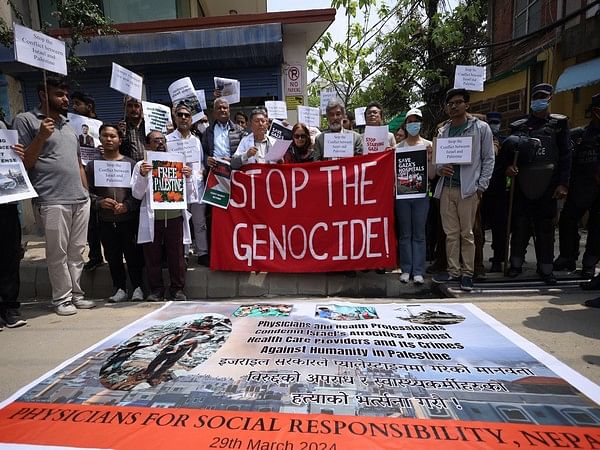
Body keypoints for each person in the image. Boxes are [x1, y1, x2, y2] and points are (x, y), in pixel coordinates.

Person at [14, 76, 96, 316]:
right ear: (43, 94)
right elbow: (24, 163)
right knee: (57, 253)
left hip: (79, 199)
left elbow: (78, 163)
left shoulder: (68, 126)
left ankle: (77, 295)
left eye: (66, 95)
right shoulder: (25, 120)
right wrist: (40, 136)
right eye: (60, 95)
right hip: (51, 199)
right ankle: (61, 299)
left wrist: (86, 192)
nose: (65, 99)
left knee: (76, 251)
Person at [502, 83, 572, 285]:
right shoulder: (520, 125)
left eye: (542, 96)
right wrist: (508, 168)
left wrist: (563, 184)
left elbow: (566, 156)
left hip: (549, 184)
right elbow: (506, 155)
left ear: (550, 98)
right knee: (520, 225)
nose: (538, 101)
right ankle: (515, 264)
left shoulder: (559, 125)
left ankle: (545, 268)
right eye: (535, 97)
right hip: (523, 183)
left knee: (545, 229)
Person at [432, 88, 495, 292]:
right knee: (450, 234)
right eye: (450, 103)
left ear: (466, 105)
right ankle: (454, 271)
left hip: (468, 190)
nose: (453, 106)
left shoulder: (481, 128)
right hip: (447, 188)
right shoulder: (443, 130)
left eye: (458, 102)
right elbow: (437, 163)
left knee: (466, 233)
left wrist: (481, 186)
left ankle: (468, 273)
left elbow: (488, 158)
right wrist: (441, 168)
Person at [131, 131, 194, 301]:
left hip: (174, 217)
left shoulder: (176, 162)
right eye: (155, 140)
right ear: (147, 145)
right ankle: (156, 290)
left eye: (162, 140)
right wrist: (143, 176)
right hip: (153, 219)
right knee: (152, 257)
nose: (160, 143)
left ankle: (177, 290)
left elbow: (189, 194)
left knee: (177, 256)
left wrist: (188, 178)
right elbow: (137, 194)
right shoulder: (141, 166)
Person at [85, 124, 144, 303]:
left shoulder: (131, 164)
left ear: (119, 140)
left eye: (113, 136)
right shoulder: (93, 166)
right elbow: (87, 192)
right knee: (112, 255)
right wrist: (99, 202)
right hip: (105, 220)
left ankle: (138, 287)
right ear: (100, 139)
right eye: (105, 136)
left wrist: (127, 205)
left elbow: (138, 192)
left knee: (133, 254)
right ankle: (119, 288)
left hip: (128, 219)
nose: (109, 139)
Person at [555, 93, 600, 279]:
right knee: (567, 220)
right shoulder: (579, 135)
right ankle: (568, 256)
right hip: (579, 186)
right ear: (596, 111)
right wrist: (564, 184)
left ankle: (589, 262)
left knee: (597, 227)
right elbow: (566, 160)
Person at [396, 108, 435, 285]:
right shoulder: (398, 148)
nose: (413, 124)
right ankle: (406, 269)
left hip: (421, 196)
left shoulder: (428, 145)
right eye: (410, 121)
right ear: (406, 124)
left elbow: (433, 175)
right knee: (405, 234)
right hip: (402, 197)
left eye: (416, 121)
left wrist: (429, 158)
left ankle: (418, 271)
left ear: (421, 123)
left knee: (419, 234)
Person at [168, 103, 209, 266]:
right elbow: (164, 165)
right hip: (178, 189)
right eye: (180, 115)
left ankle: (203, 253)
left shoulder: (196, 140)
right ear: (175, 118)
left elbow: (201, 163)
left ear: (192, 119)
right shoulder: (168, 140)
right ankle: (183, 254)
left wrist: (202, 172)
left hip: (196, 188)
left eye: (187, 115)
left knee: (200, 223)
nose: (184, 118)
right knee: (181, 223)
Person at [0, 127, 27, 329]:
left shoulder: (3, 128)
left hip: (6, 205)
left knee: (10, 255)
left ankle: (10, 307)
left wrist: (18, 155)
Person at [482, 111, 508, 273]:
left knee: (500, 229)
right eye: (491, 122)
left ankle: (498, 259)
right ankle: (477, 261)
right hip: (481, 191)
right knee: (478, 228)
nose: (494, 125)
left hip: (500, 191)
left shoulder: (506, 142)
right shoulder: (480, 141)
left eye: (496, 122)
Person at [202, 97, 246, 169]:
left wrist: (233, 160)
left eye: (224, 108)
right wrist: (207, 159)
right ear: (214, 112)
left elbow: (245, 151)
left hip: (233, 169)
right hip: (214, 170)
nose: (222, 110)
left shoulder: (239, 130)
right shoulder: (208, 131)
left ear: (229, 111)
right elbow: (202, 151)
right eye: (219, 108)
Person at [119, 96, 146, 162]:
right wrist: (121, 135)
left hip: (149, 166)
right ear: (125, 108)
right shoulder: (121, 127)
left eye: (137, 106)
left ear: (142, 108)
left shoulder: (148, 124)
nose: (133, 109)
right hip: (129, 166)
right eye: (130, 106)